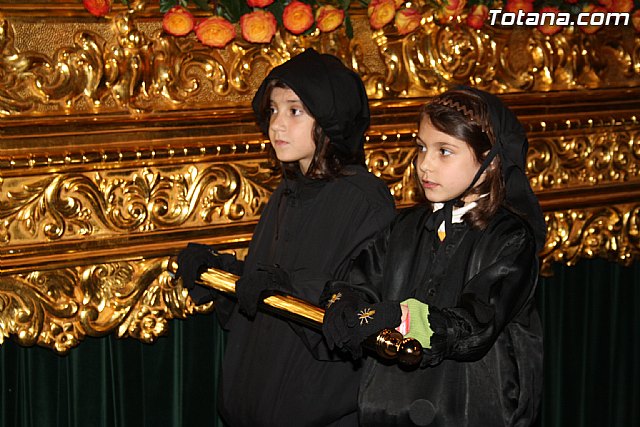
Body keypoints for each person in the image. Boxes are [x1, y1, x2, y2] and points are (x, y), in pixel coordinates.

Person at [175, 49, 396, 426]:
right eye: (273, 110)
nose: (276, 125)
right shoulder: (289, 191)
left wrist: (286, 287)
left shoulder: (364, 200)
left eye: (295, 111)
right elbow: (265, 288)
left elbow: (361, 305)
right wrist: (221, 274)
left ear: (331, 118)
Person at [321, 87, 546, 426]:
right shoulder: (405, 227)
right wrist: (345, 304)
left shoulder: (510, 239)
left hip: (468, 412)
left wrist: (401, 317)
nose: (424, 164)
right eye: (422, 147)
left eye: (445, 151)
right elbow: (358, 279)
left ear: (489, 163)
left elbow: (475, 323)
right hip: (390, 410)